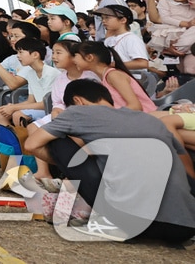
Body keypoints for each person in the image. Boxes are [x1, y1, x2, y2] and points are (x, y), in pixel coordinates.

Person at [23, 79, 195, 244]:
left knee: (58, 142)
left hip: (133, 223)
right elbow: (185, 167)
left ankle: (108, 218)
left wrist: (66, 162)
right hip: (183, 227)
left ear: (78, 101)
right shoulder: (148, 119)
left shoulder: (77, 113)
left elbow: (31, 145)